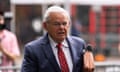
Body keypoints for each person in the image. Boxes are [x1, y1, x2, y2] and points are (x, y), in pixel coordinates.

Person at [21, 5, 94, 72]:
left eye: (64, 23)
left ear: (69, 25)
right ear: (45, 26)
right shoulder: (33, 50)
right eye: (56, 24)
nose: (61, 27)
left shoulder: (79, 44)